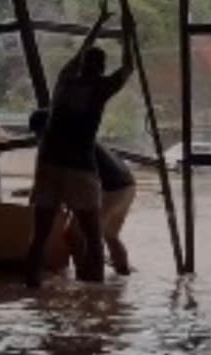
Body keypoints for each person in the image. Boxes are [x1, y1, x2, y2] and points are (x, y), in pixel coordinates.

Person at [25, 0, 134, 288]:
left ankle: (31, 289)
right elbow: (128, 67)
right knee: (92, 236)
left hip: (49, 163)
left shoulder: (64, 82)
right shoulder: (100, 88)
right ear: (101, 68)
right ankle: (94, 298)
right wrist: (127, 32)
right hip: (79, 168)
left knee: (40, 236)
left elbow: (82, 50)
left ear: (82, 64)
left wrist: (99, 23)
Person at [28, 109, 135, 275]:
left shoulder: (61, 143)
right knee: (109, 235)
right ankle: (122, 274)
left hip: (110, 189)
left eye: (38, 132)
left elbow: (75, 180)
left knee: (75, 235)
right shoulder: (76, 135)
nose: (38, 137)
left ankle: (84, 276)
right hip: (127, 185)